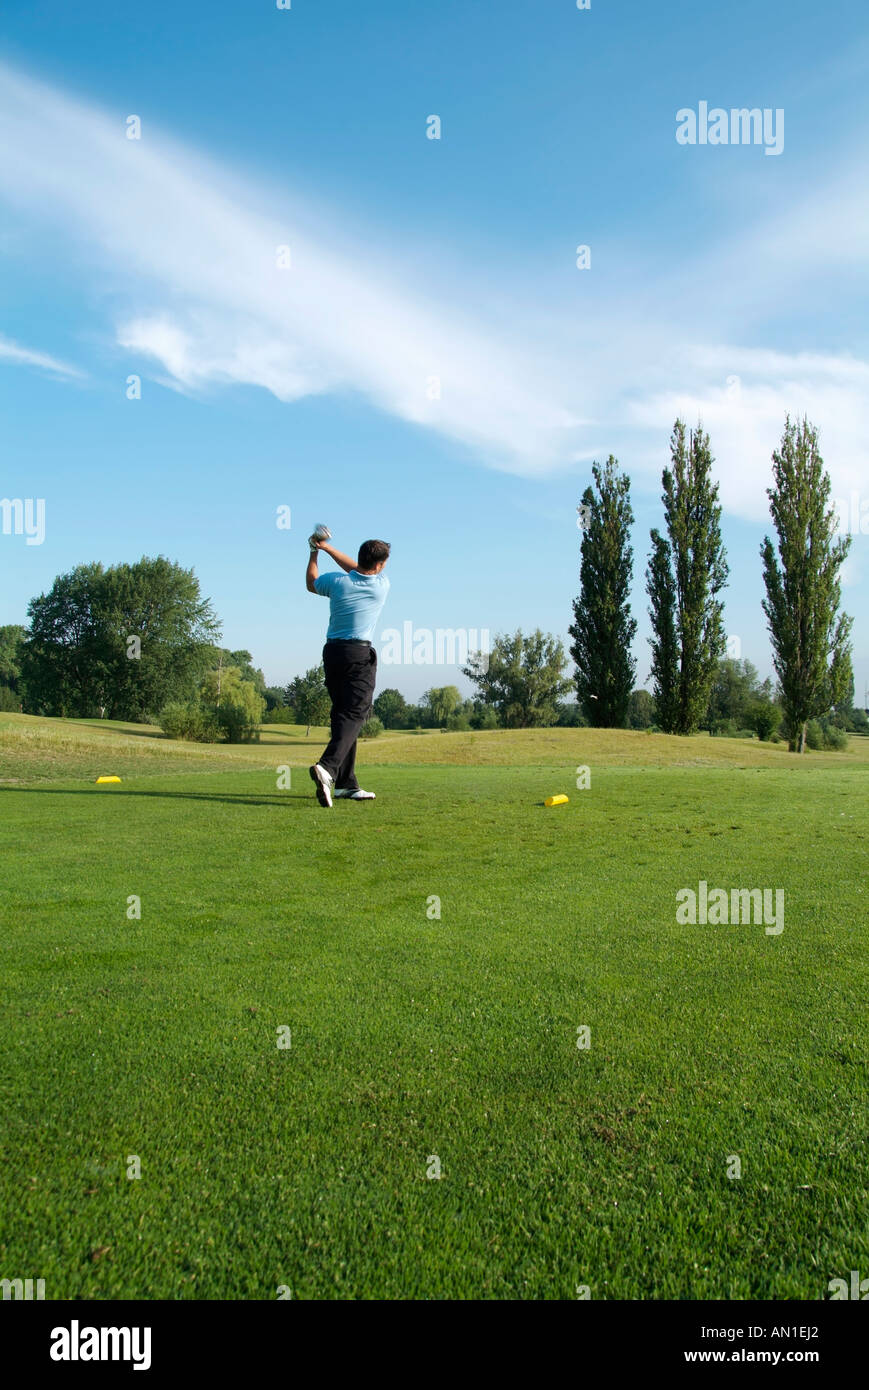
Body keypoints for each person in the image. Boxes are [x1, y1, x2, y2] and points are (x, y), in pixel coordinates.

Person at [306, 536, 390, 807]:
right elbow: (358, 569)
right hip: (357, 655)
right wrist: (327, 548)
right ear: (379, 566)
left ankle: (346, 783)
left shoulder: (337, 582)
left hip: (332, 654)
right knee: (357, 712)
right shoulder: (380, 586)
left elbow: (311, 584)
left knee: (343, 715)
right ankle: (328, 768)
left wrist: (316, 552)